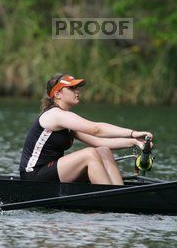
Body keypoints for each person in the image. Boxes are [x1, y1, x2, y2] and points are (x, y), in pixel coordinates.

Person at [19, 74, 153, 185]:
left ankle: (121, 194)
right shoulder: (54, 115)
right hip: (33, 176)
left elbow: (99, 141)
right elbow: (96, 129)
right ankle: (112, 198)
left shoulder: (67, 120)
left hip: (52, 172)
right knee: (89, 154)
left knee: (103, 151)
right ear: (58, 94)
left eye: (77, 88)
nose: (77, 91)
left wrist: (135, 141)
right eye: (72, 88)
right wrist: (132, 132)